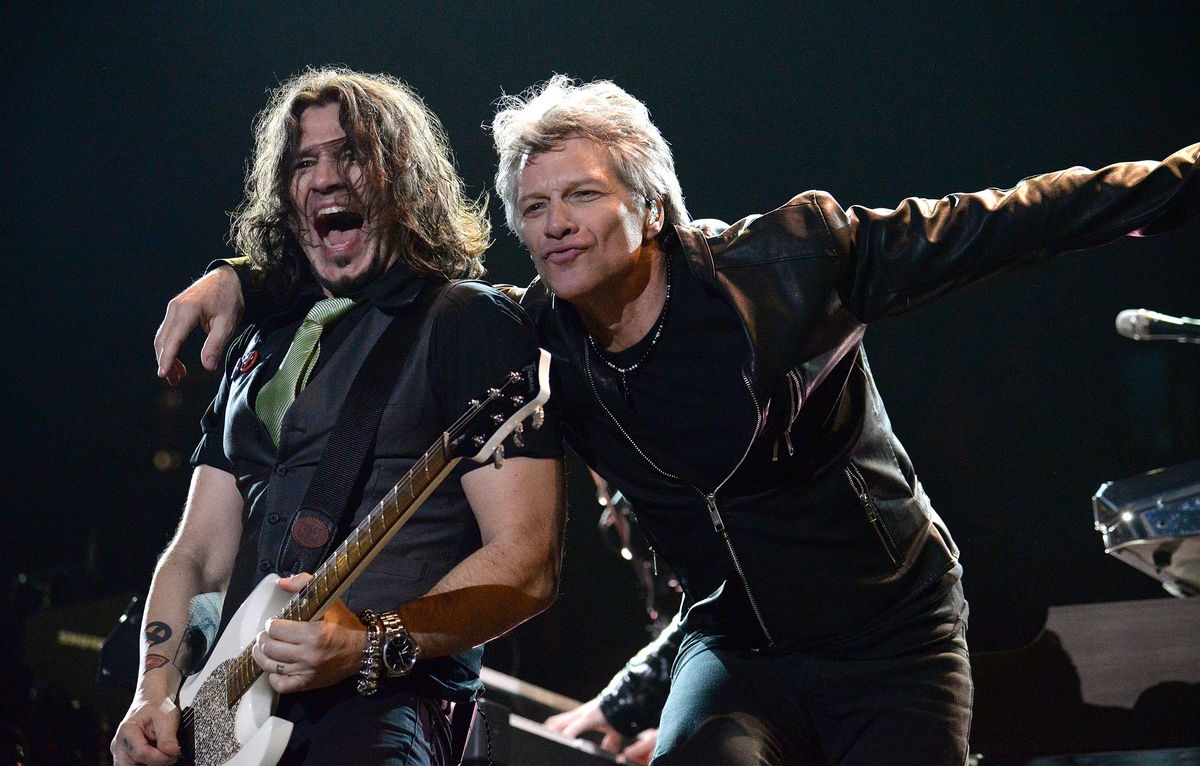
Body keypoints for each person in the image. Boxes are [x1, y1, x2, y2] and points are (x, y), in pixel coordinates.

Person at [154, 75, 1200, 764]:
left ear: (648, 203)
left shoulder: (794, 261)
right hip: (732, 644)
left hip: (893, 634)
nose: (555, 225)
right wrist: (246, 279)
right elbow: (394, 276)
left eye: (581, 196)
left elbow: (1011, 221)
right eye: (533, 206)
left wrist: (1178, 181)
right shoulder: (539, 339)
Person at [115, 68, 565, 766]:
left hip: (386, 705)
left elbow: (527, 562)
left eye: (351, 154)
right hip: (228, 717)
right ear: (285, 197)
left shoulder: (465, 322)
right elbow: (199, 552)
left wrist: (369, 640)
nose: (325, 177)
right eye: (304, 161)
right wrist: (153, 693)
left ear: (402, 180)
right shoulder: (256, 344)